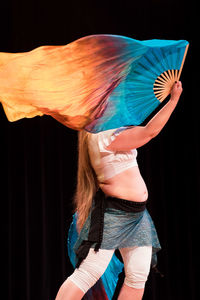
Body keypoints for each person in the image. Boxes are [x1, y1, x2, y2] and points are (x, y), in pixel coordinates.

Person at [55, 81, 183, 300]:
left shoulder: (111, 132)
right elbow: (150, 132)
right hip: (115, 214)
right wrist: (173, 100)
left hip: (137, 214)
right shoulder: (105, 136)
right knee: (89, 272)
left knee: (137, 275)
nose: (118, 104)